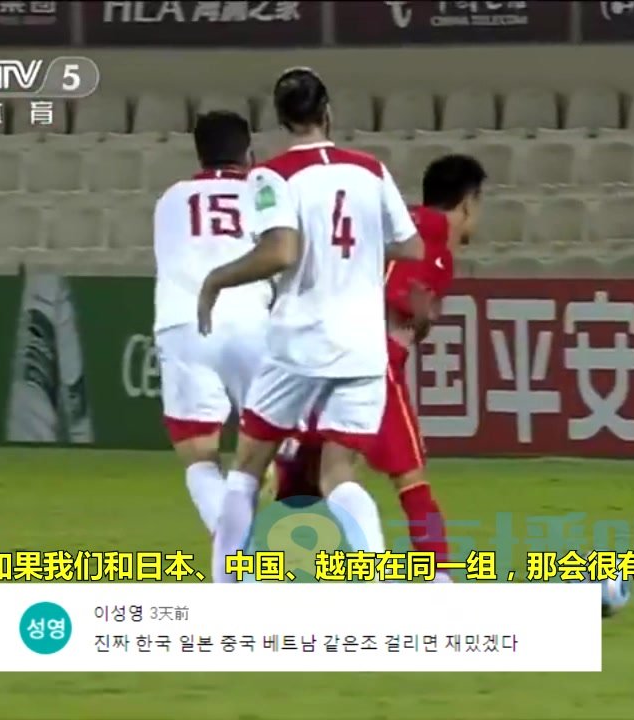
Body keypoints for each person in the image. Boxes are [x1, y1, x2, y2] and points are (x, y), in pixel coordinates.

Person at [197, 66, 425, 583]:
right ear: (328, 112)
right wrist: (360, 254)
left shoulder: (271, 175)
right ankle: (374, 579)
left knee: (247, 467)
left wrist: (217, 279)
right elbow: (411, 245)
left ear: (281, 119)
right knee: (338, 473)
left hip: (300, 343)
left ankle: (226, 587)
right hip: (363, 345)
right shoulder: (370, 170)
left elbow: (281, 251)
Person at [273, 155, 486, 581]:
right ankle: (435, 575)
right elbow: (393, 293)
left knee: (312, 470)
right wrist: (417, 310)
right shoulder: (432, 243)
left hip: (323, 352)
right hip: (374, 364)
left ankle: (288, 568)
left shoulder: (395, 223)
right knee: (406, 477)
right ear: (468, 202)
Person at [151, 111, 271, 541]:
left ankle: (235, 548)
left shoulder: (170, 200)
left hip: (184, 324)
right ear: (248, 152)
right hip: (251, 322)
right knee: (277, 445)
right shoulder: (265, 193)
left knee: (198, 452)